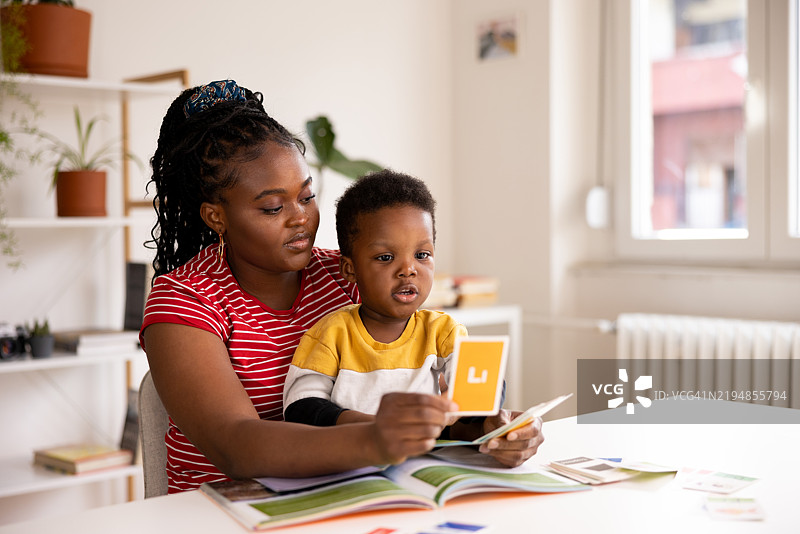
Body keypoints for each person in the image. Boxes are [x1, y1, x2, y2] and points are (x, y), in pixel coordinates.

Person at [140, 79, 543, 493]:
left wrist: (486, 429)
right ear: (215, 216)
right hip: (226, 510)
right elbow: (235, 445)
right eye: (273, 207)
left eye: (307, 197)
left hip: (350, 491)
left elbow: (418, 387)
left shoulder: (345, 275)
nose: (300, 219)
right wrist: (372, 439)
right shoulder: (183, 301)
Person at [283, 170, 479, 430]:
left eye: (422, 254)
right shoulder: (331, 334)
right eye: (386, 257)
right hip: (351, 464)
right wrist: (373, 428)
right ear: (350, 269)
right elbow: (301, 407)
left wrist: (455, 411)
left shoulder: (443, 331)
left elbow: (481, 386)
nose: (408, 269)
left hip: (421, 462)